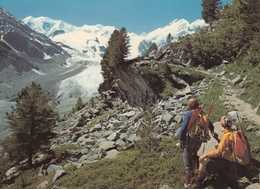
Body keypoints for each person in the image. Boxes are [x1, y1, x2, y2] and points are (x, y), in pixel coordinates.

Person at [193, 116, 241, 189]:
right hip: (234, 159)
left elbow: (218, 152)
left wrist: (205, 155)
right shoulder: (234, 133)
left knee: (203, 160)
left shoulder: (226, 136)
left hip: (228, 162)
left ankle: (198, 181)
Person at [178, 98, 215, 188]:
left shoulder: (189, 114)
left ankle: (187, 183)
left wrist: (181, 140)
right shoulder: (202, 114)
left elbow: (183, 129)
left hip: (189, 140)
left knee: (187, 161)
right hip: (199, 140)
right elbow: (211, 126)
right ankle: (197, 178)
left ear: (190, 106)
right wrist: (213, 133)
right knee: (194, 157)